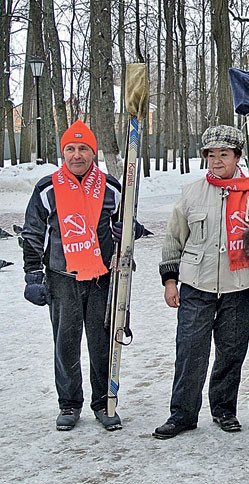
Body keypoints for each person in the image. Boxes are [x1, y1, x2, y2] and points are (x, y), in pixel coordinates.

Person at [153, 125, 249, 439]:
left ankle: (224, 409)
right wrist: (170, 280)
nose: (216, 161)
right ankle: (182, 414)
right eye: (211, 155)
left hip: (239, 287)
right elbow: (174, 239)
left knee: (231, 352)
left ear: (237, 156)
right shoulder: (191, 193)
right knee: (190, 352)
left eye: (223, 154)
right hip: (196, 286)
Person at [22, 120, 141, 431]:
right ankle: (69, 404)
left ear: (93, 152)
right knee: (65, 343)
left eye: (83, 148)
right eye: (71, 149)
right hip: (62, 277)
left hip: (103, 277)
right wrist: (33, 276)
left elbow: (128, 224)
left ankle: (104, 402)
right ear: (64, 153)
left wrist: (131, 231)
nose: (77, 155)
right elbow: (33, 234)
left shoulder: (112, 187)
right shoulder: (47, 188)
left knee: (103, 343)